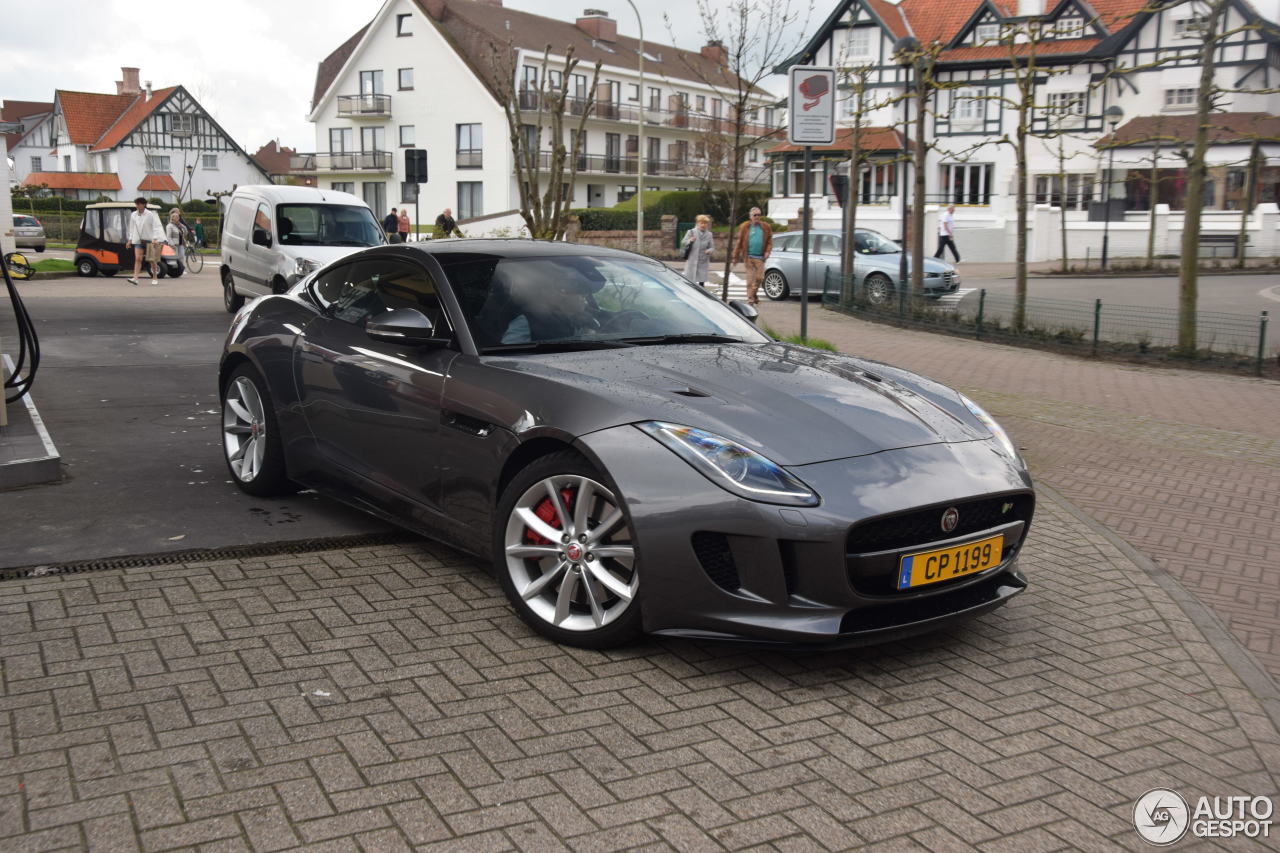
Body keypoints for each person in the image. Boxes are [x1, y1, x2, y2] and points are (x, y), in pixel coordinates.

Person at [732, 207, 772, 305]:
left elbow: (769, 241)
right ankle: (750, 300)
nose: (757, 217)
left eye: (759, 215)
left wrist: (767, 252)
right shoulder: (744, 227)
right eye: (755, 215)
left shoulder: (766, 226)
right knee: (750, 280)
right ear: (750, 216)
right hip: (748, 257)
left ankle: (753, 294)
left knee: (760, 278)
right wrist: (735, 256)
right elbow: (739, 242)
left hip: (760, 257)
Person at [126, 197, 164, 285]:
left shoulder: (150, 214)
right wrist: (130, 240)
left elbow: (155, 226)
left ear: (144, 204)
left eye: (139, 204)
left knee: (151, 260)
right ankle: (135, 278)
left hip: (149, 240)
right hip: (138, 240)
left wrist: (155, 238)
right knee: (138, 258)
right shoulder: (133, 215)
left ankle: (155, 277)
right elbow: (131, 228)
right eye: (136, 204)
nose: (137, 206)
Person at [681, 215, 715, 287]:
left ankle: (701, 295)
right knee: (690, 281)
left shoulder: (709, 234)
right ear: (697, 223)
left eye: (705, 223)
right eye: (701, 223)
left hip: (703, 261)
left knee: (701, 282)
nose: (703, 225)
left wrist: (709, 251)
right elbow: (683, 242)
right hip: (692, 260)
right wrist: (690, 240)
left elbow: (712, 247)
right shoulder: (691, 232)